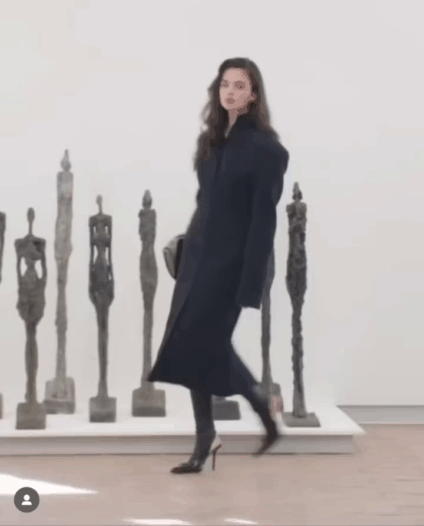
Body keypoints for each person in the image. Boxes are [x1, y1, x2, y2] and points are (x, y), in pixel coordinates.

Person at [148, 57, 290, 474]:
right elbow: (205, 204)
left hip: (230, 266)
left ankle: (259, 411)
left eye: (239, 85)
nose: (230, 91)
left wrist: (252, 282)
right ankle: (208, 434)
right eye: (225, 84)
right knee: (192, 344)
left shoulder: (268, 150)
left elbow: (264, 221)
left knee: (204, 341)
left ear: (253, 95)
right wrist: (185, 245)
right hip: (197, 258)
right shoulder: (210, 142)